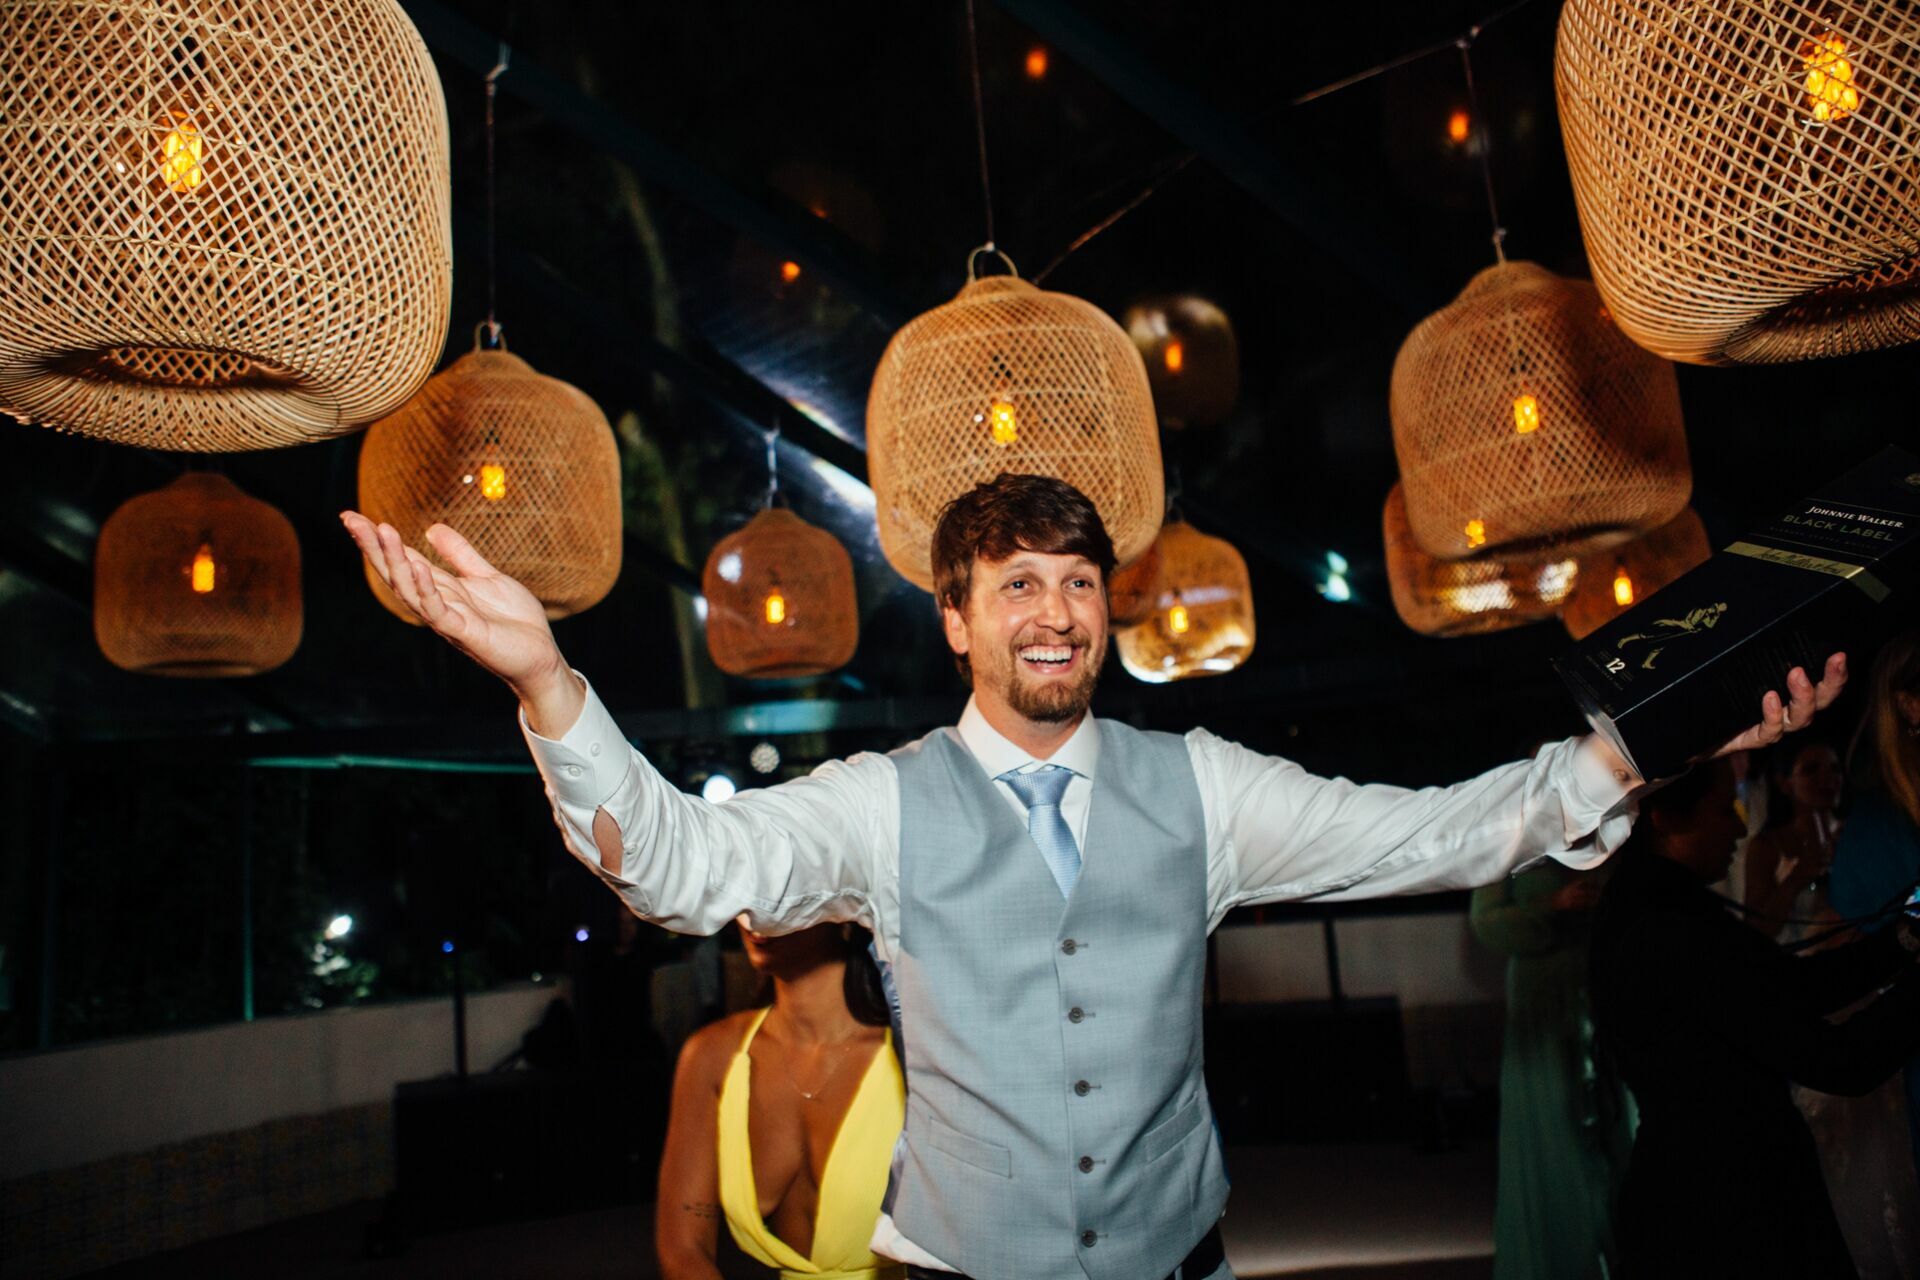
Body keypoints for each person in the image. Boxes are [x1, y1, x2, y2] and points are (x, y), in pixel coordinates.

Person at [342, 473, 1841, 1280]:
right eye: (1015, 589)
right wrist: (549, 684)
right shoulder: (881, 806)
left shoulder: (1200, 784)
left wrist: (1640, 752)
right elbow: (675, 867)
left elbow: (1439, 831)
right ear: (956, 621)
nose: (1053, 618)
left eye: (1076, 584)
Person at [1590, 758, 1920, 1277]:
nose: (1741, 826)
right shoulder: (1673, 931)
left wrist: (1905, 939)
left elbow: (1791, 986)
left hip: (1691, 1190)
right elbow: (1839, 1061)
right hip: (1731, 1211)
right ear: (1665, 820)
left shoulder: (1643, 905)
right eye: (1725, 810)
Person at [656, 919, 902, 1280]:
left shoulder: (912, 1056)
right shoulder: (713, 1057)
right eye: (749, 886)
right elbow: (684, 1251)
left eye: (783, 886)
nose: (753, 916)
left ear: (845, 914)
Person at [1470, 860, 1632, 1280]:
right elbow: (1486, 924)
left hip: (1602, 982)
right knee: (1555, 1115)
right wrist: (1553, 904)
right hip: (1542, 992)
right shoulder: (1512, 842)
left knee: (1616, 1120)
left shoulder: (1605, 828)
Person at [1745, 739, 1847, 943]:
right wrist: (1798, 877)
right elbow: (1755, 930)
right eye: (1811, 770)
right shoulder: (1767, 846)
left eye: (1834, 769)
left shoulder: (1854, 833)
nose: (1826, 778)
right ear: (1784, 783)